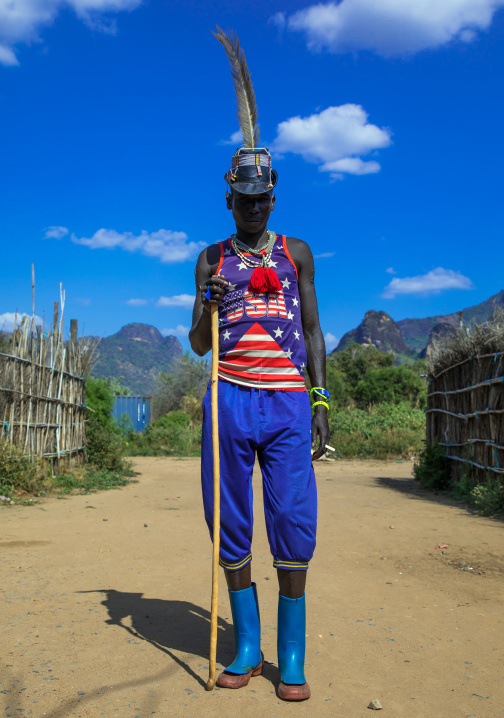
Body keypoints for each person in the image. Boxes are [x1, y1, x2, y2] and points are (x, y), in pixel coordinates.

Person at [189, 143, 330, 701]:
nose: (253, 208)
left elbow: (314, 330)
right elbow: (200, 344)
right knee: (228, 516)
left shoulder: (297, 253)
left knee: (294, 518)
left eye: (262, 199)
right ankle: (249, 645)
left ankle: (290, 654)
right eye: (244, 199)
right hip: (229, 399)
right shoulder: (210, 259)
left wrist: (320, 400)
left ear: (273, 199)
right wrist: (209, 301)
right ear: (229, 200)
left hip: (289, 402)